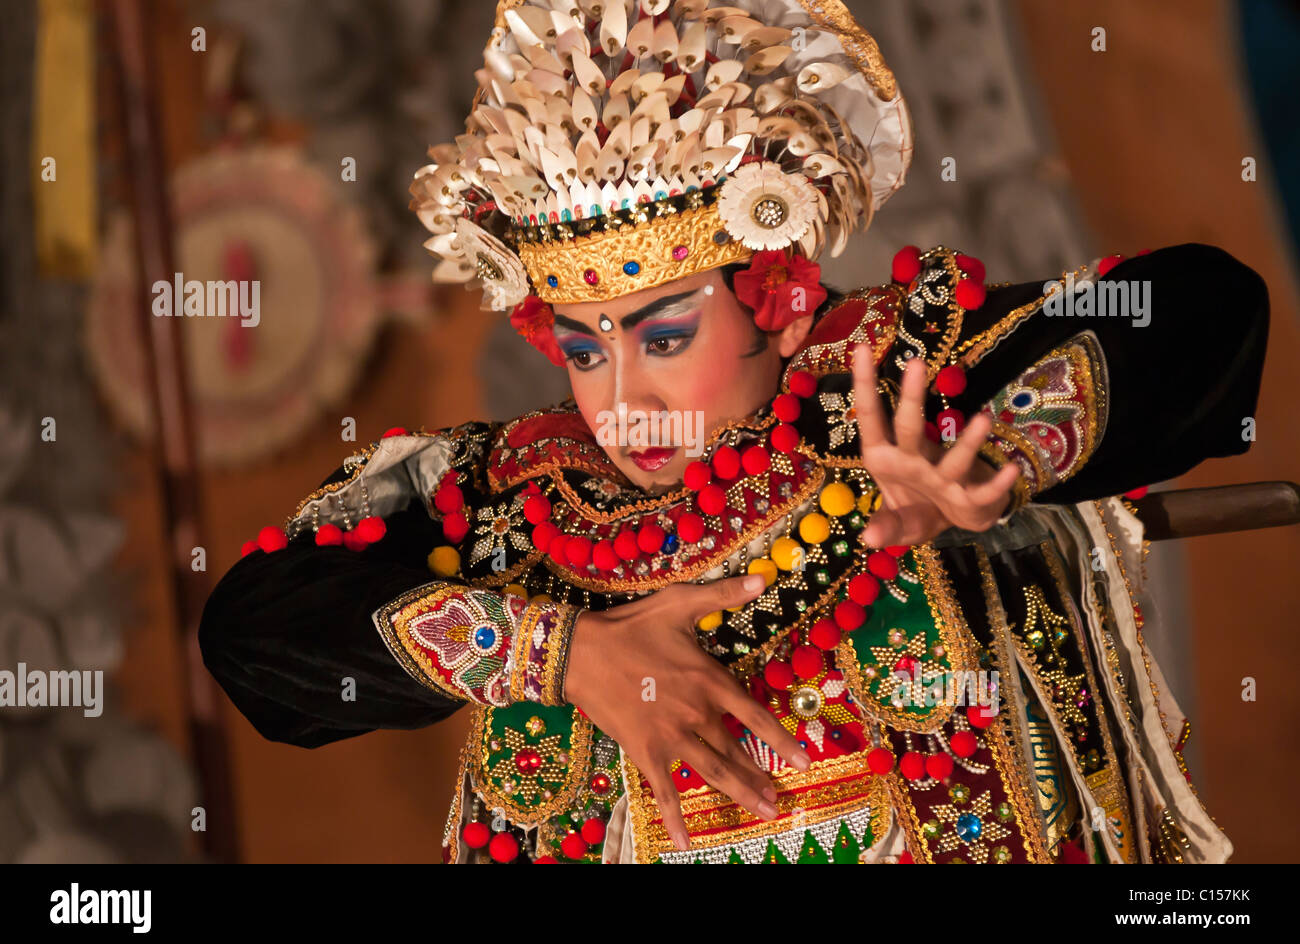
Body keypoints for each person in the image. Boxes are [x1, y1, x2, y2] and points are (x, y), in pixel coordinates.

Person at [199, 0, 1268, 864]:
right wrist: (562, 653)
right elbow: (254, 637)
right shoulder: (519, 504)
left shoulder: (893, 377)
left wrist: (995, 451)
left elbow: (1201, 313)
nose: (621, 401)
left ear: (780, 296)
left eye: (664, 337)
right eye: (581, 349)